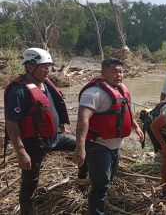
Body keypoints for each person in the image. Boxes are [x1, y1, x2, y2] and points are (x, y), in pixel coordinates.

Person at [4, 48, 88, 215]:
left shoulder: (46, 83)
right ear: (29, 67)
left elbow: (51, 107)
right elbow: (11, 123)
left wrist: (61, 126)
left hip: (54, 137)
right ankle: (27, 211)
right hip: (33, 143)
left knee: (84, 149)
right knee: (30, 182)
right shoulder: (18, 90)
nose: (48, 70)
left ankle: (82, 182)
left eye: (49, 66)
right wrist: (21, 152)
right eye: (43, 66)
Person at [72, 58, 144, 214]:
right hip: (98, 145)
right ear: (103, 72)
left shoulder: (122, 89)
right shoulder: (93, 93)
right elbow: (83, 120)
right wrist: (80, 147)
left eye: (121, 71)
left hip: (115, 146)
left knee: (107, 180)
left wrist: (136, 126)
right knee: (100, 187)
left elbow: (126, 112)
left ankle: (97, 201)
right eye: (114, 71)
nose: (118, 75)